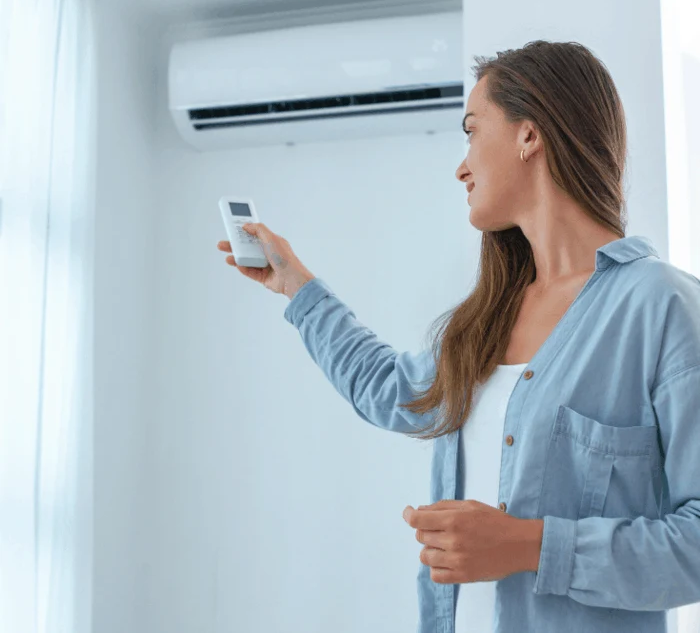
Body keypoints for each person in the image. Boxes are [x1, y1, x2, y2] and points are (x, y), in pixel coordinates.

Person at [217, 39, 700, 633]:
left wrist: (528, 546)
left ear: (530, 136)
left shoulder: (661, 306)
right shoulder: (491, 316)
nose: (462, 164)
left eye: (473, 130)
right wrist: (295, 284)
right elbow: (388, 386)